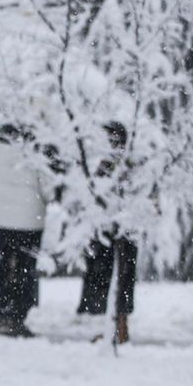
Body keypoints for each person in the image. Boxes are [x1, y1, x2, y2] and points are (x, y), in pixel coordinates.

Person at [0, 124, 51, 337]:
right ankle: (16, 317)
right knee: (24, 271)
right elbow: (49, 187)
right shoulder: (38, 142)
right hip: (29, 221)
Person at [77, 121, 138, 343]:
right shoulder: (127, 162)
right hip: (124, 229)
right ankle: (118, 327)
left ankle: (117, 329)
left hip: (116, 230)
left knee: (116, 278)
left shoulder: (113, 164)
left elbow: (99, 194)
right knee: (121, 278)